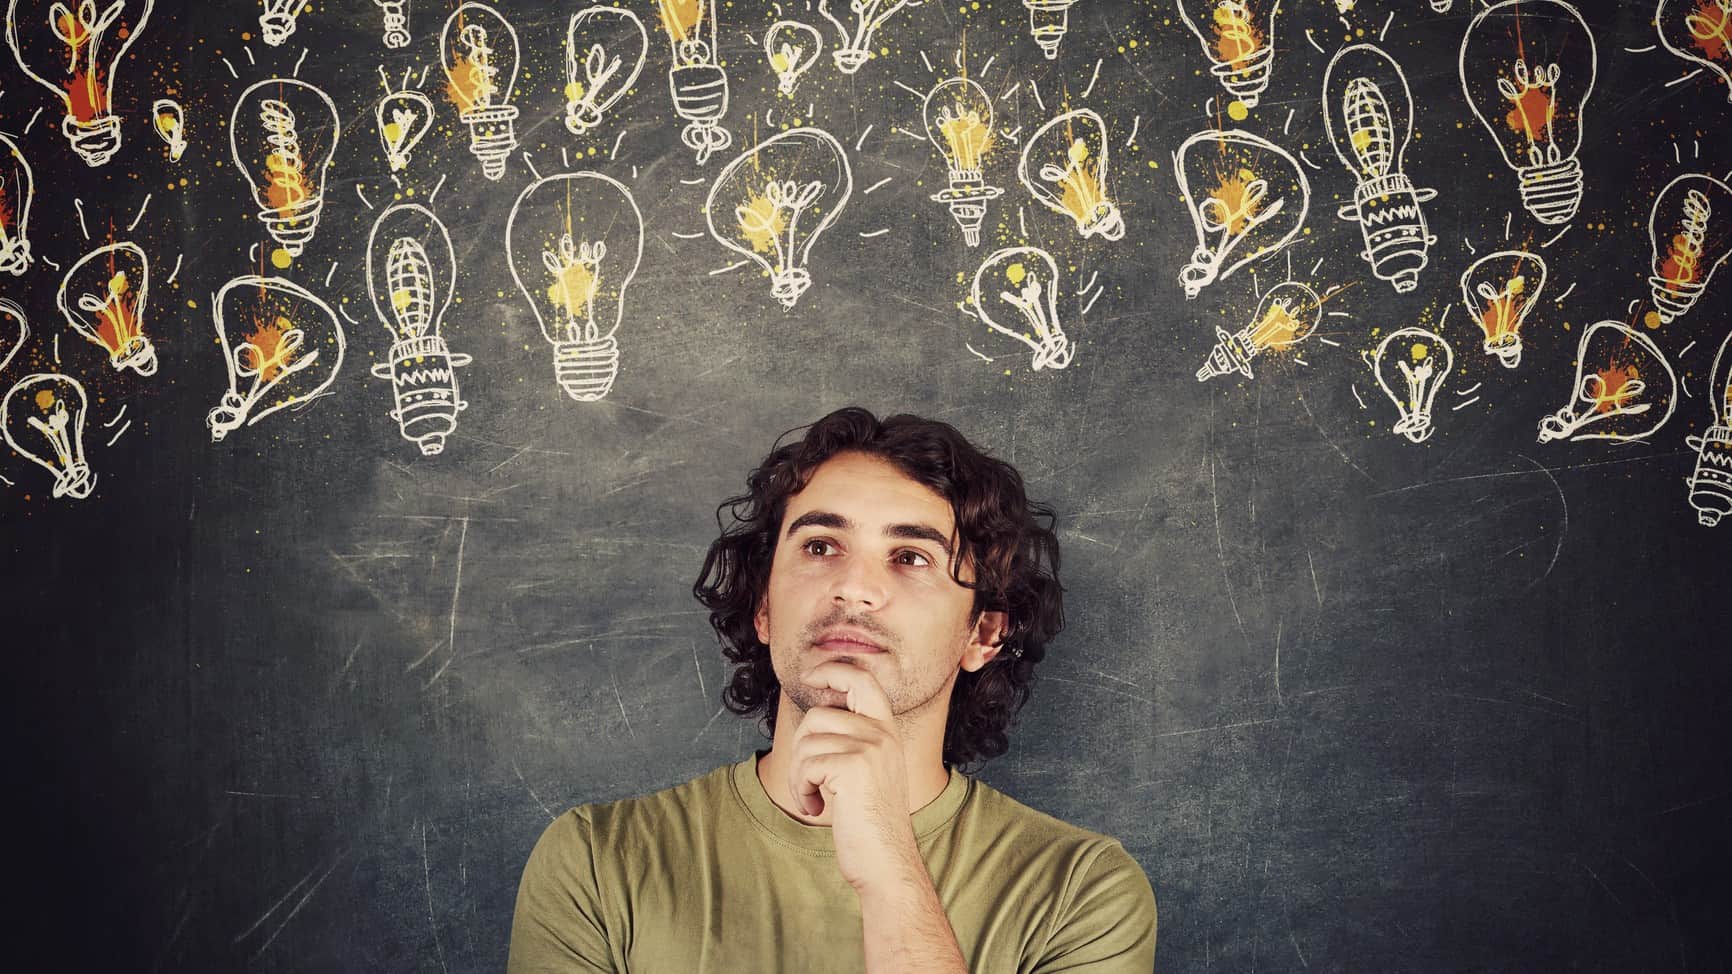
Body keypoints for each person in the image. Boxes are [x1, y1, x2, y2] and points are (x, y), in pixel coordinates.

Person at [508, 406, 1157, 972]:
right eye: (821, 546)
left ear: (982, 635)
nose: (854, 587)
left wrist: (885, 864)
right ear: (763, 607)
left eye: (910, 557)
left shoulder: (1080, 892)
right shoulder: (598, 862)